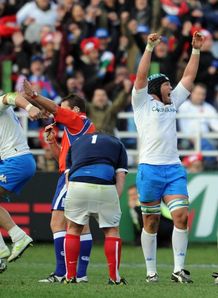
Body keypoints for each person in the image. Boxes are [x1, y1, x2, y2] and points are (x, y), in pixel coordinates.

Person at [132, 31, 204, 283]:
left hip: (173, 168)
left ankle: (178, 270)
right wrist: (149, 48)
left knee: (181, 217)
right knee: (150, 222)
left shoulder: (172, 102)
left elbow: (189, 77)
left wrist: (195, 50)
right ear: (155, 88)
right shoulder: (141, 102)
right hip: (149, 169)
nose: (171, 88)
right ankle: (151, 272)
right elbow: (140, 76)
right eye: (166, 85)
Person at [23, 80, 95, 283]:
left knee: (57, 222)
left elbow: (53, 108)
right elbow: (61, 160)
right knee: (82, 225)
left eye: (64, 110)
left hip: (72, 177)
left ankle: (61, 272)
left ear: (75, 109)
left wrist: (34, 97)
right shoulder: (76, 129)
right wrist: (52, 142)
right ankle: (80, 275)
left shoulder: (78, 120)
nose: (58, 115)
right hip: (78, 174)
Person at [64, 132, 128, 284]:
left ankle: (70, 276)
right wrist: (114, 198)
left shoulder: (76, 143)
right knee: (112, 230)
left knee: (73, 228)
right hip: (104, 184)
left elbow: (68, 175)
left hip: (76, 184)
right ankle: (114, 278)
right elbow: (121, 176)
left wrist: (71, 194)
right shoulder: (117, 143)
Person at [0, 91, 41, 273]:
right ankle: (2, 250)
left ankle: (18, 237)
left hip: (16, 161)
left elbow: (11, 96)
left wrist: (30, 107)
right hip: (18, 160)